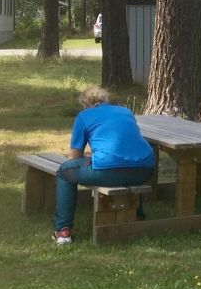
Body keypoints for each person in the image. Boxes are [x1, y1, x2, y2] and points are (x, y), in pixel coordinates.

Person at [53, 86, 155, 245]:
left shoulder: (84, 115)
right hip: (145, 168)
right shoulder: (125, 111)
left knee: (64, 172)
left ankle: (63, 230)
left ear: (85, 104)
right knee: (129, 164)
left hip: (108, 171)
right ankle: (138, 215)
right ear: (105, 101)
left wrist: (89, 158)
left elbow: (74, 157)